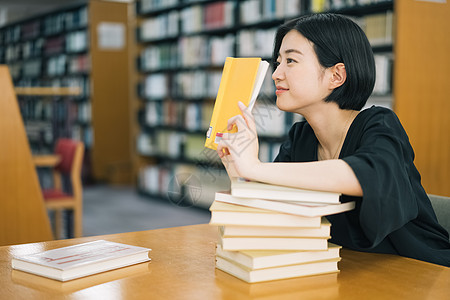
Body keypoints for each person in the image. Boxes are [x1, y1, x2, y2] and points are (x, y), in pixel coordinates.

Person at [216, 13, 450, 267]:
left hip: (422, 272)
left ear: (336, 76)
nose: (276, 74)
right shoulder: (300, 137)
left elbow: (367, 175)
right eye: (278, 61)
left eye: (291, 60)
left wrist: (257, 167)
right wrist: (240, 173)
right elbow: (275, 215)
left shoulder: (379, 124)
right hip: (347, 272)